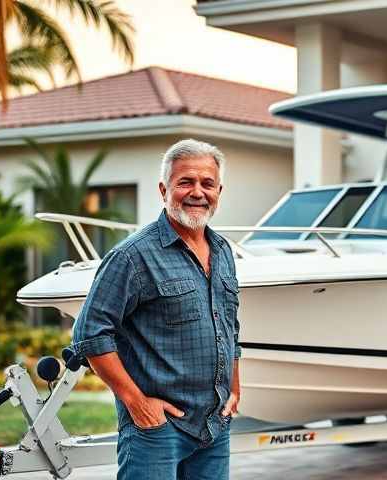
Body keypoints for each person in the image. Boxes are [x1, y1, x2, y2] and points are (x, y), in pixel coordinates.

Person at [71, 139, 240, 480]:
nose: (197, 192)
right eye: (185, 182)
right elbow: (89, 334)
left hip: (215, 425)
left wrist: (235, 390)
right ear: (164, 189)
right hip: (157, 430)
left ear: (219, 191)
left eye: (207, 183)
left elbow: (230, 327)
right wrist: (135, 401)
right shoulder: (132, 256)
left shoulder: (222, 251)